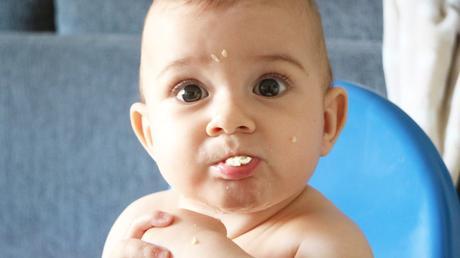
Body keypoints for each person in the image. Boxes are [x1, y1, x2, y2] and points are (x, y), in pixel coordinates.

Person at [102, 0, 374, 257]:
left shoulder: (329, 243)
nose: (230, 118)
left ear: (327, 121)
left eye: (268, 87)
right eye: (191, 92)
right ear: (149, 134)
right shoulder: (141, 225)